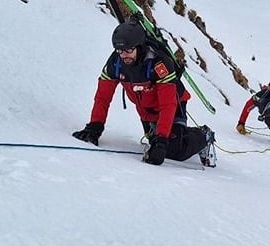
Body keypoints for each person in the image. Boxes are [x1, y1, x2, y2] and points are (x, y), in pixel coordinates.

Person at [72, 20, 216, 167]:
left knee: (174, 150)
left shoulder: (158, 63)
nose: (124, 55)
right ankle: (169, 134)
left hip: (173, 105)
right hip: (146, 110)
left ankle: (204, 136)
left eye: (129, 50)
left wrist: (161, 140)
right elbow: (103, 97)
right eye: (120, 51)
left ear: (139, 47)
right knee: (155, 143)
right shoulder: (115, 64)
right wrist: (95, 126)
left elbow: (168, 104)